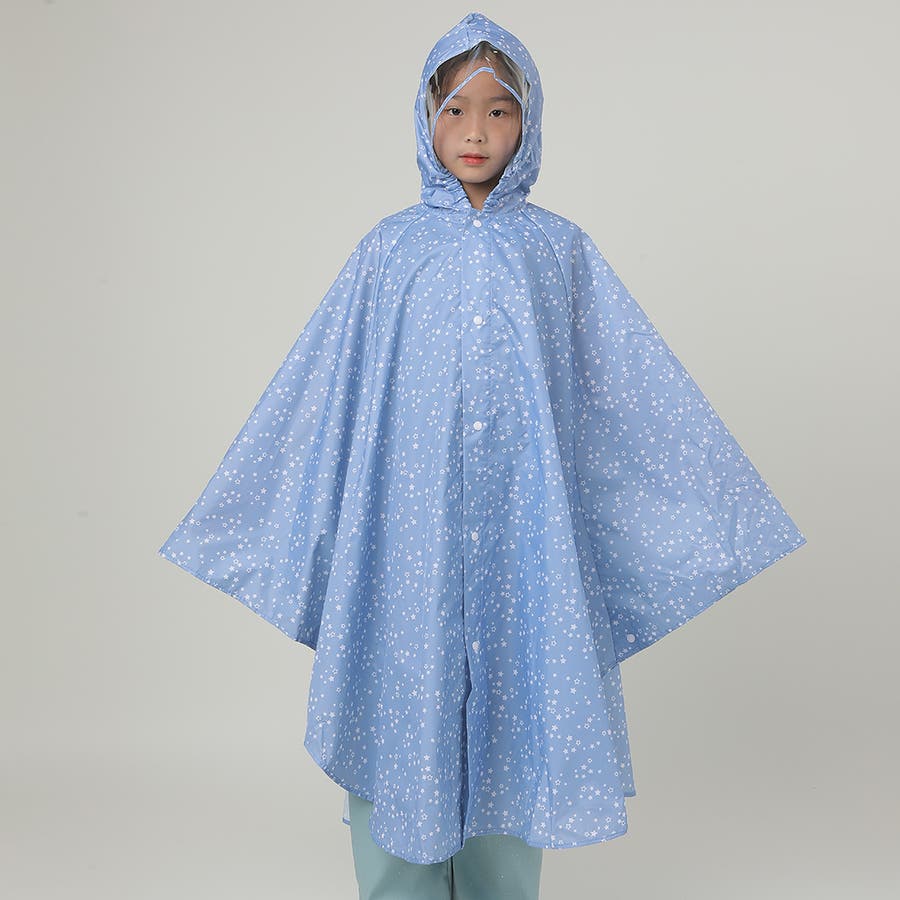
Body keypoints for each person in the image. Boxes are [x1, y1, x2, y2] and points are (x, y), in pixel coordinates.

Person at [158, 12, 807, 900]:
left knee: (515, 726)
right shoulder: (388, 252)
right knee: (401, 720)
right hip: (406, 552)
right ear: (425, 117)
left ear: (528, 123)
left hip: (521, 553)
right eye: (456, 109)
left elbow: (619, 391)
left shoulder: (558, 252)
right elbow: (327, 391)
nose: (476, 131)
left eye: (500, 110)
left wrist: (720, 512)